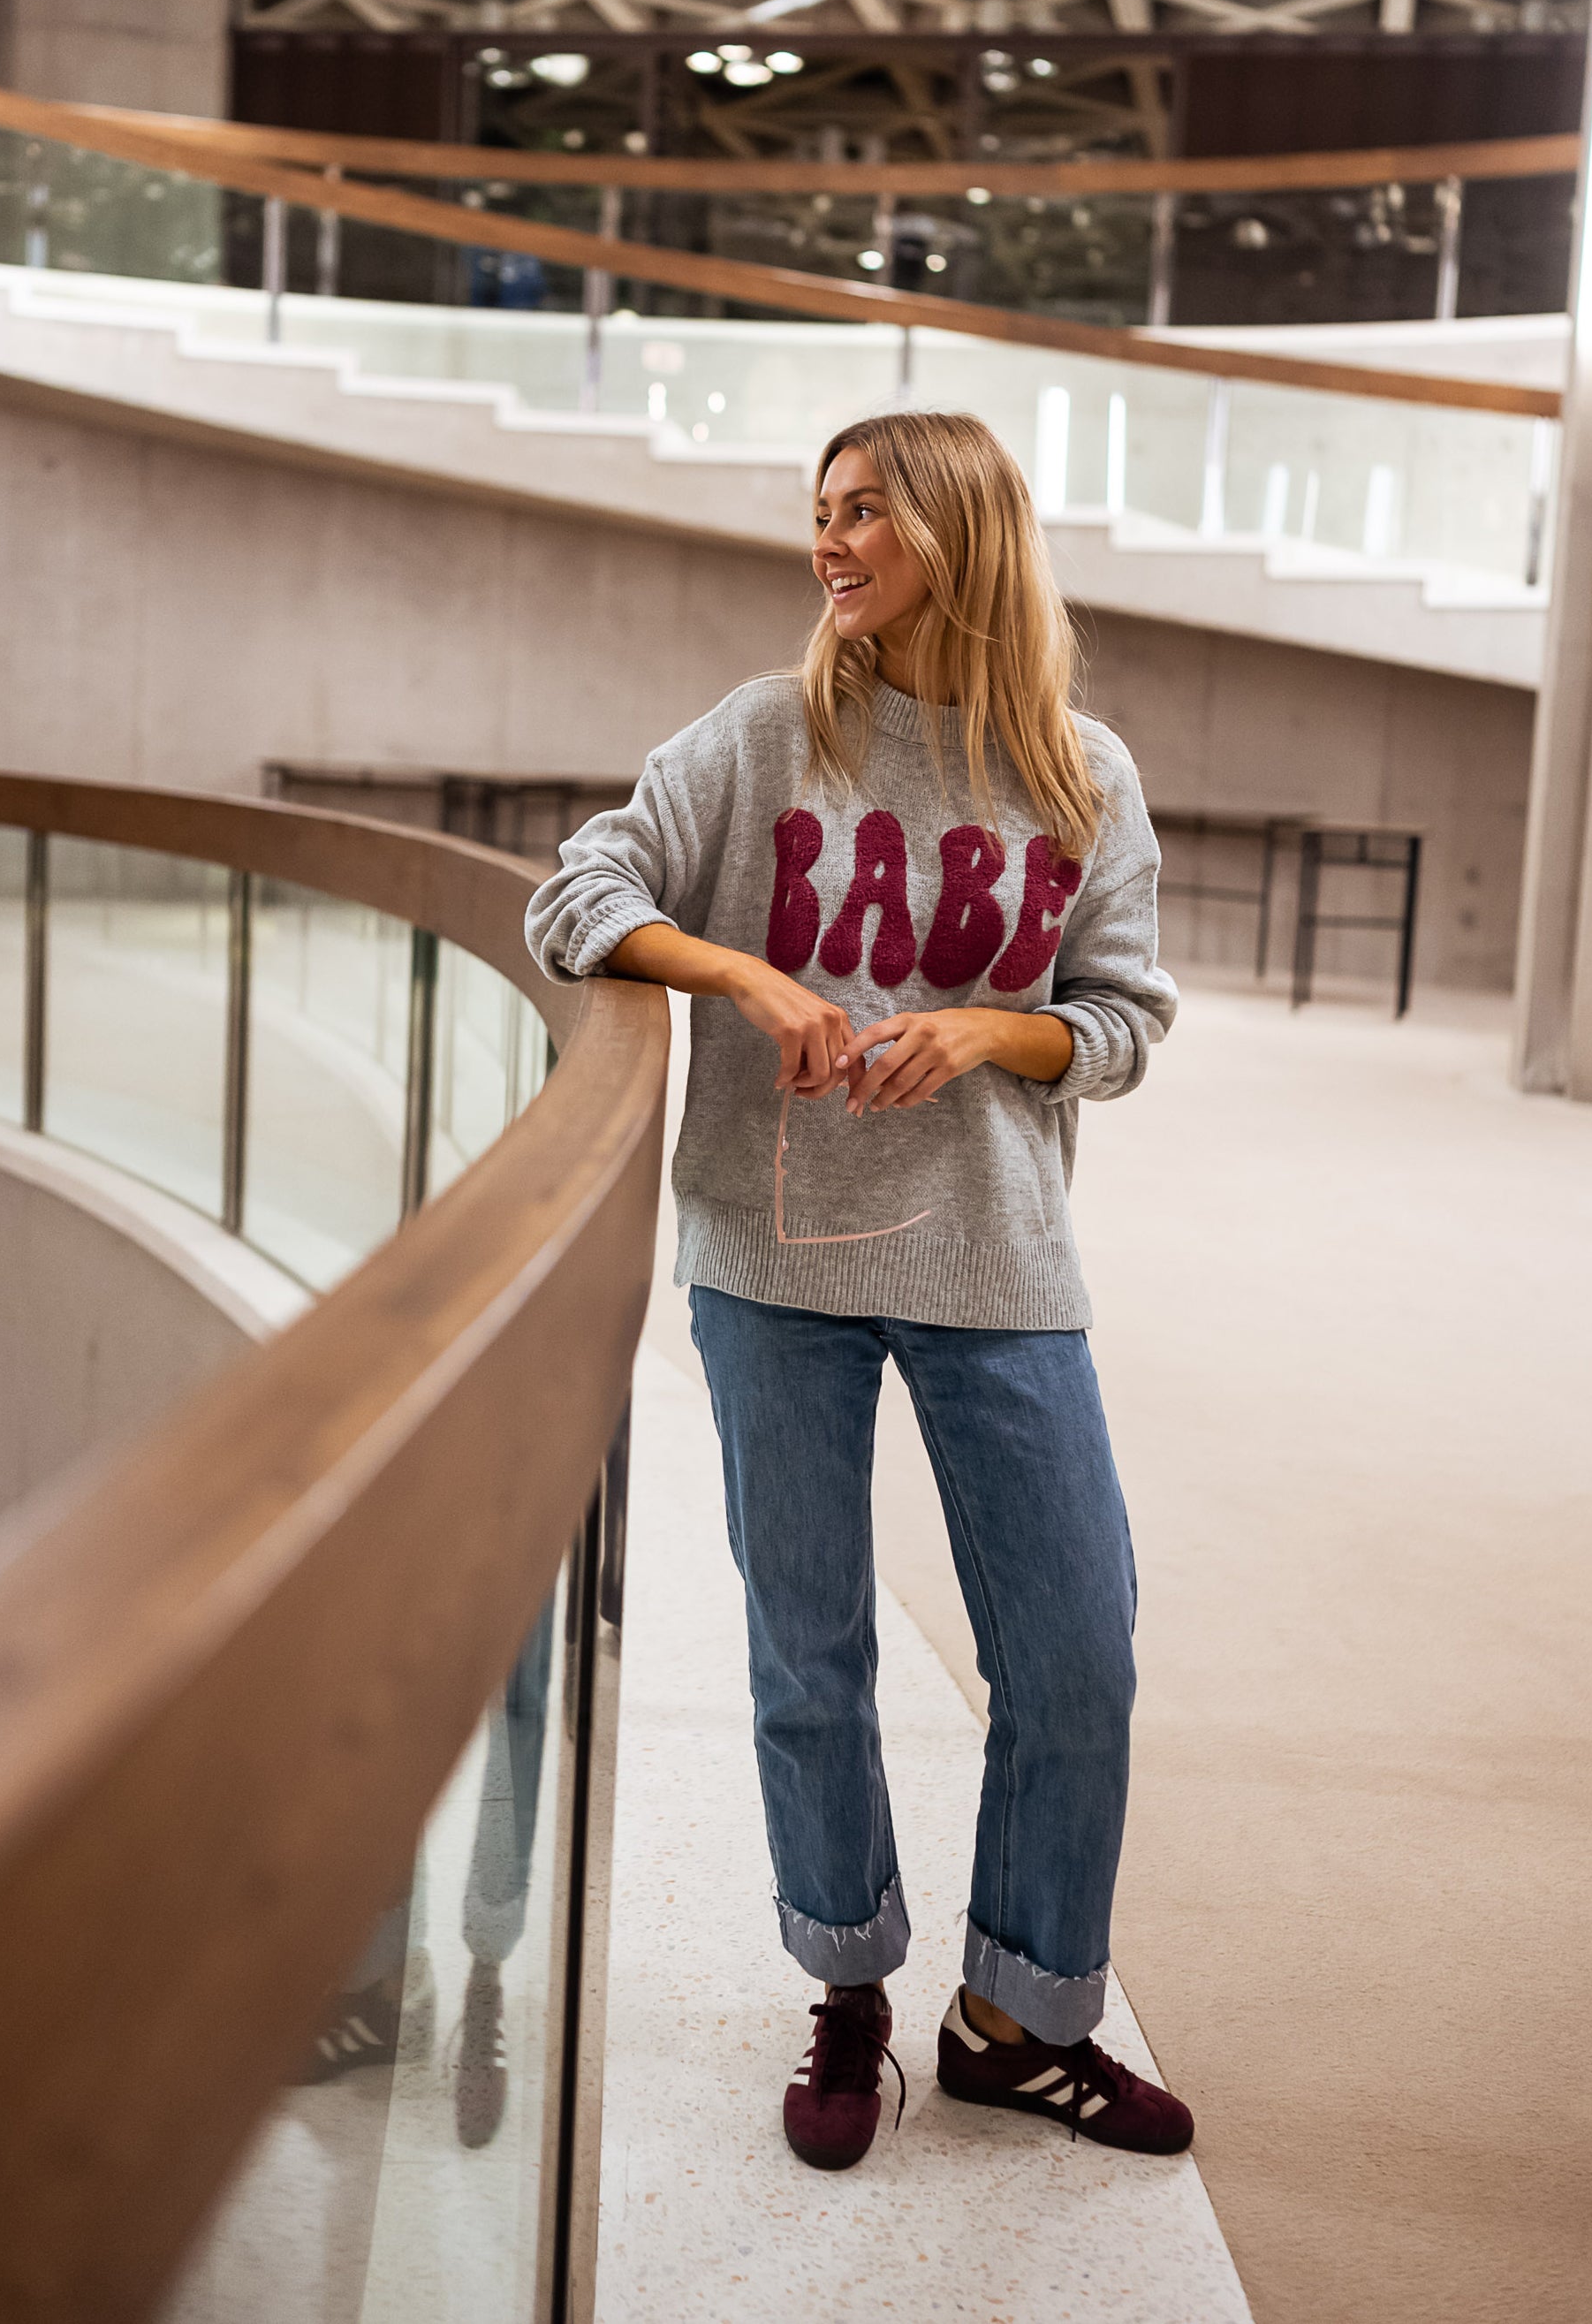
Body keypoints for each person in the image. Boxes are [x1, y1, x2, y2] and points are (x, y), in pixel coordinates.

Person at [526, 409, 1193, 2171]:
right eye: (818, 516)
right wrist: (739, 974)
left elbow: (1123, 1019)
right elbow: (577, 889)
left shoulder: (1081, 773)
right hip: (771, 1260)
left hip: (996, 1258)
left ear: (957, 536)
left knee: (1076, 1653)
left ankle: (1023, 2013)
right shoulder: (766, 734)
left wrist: (993, 1030)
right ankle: (847, 1985)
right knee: (807, 1660)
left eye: (863, 516)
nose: (829, 546)